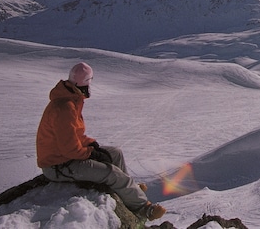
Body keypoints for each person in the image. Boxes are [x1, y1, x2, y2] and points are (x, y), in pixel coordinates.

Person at [36, 62, 165, 221]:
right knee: (112, 173)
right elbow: (69, 150)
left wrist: (91, 144)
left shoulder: (71, 99)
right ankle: (143, 209)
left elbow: (74, 134)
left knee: (115, 153)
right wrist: (91, 153)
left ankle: (128, 190)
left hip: (66, 157)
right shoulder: (65, 107)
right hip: (58, 165)